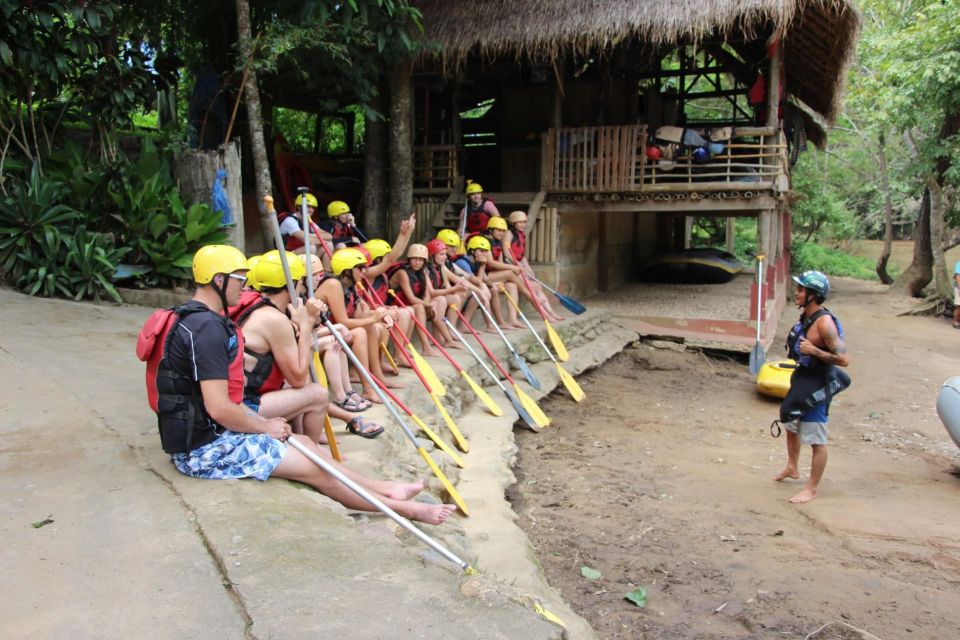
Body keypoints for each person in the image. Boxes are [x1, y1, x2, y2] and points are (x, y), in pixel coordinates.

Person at [138, 244, 455, 524]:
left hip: (207, 434)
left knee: (304, 444)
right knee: (313, 467)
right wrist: (264, 426)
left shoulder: (191, 317)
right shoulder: (205, 329)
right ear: (219, 280)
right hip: (204, 450)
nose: (245, 286)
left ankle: (385, 489)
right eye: (239, 278)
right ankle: (405, 510)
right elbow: (219, 407)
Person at [231, 250, 384, 439]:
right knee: (317, 394)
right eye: (302, 280)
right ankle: (313, 447)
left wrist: (304, 324)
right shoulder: (273, 318)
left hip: (240, 397)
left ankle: (306, 436)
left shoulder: (258, 305)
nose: (304, 284)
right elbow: (298, 376)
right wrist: (306, 325)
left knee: (298, 385)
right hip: (244, 405)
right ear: (291, 282)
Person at [774, 270, 850, 504]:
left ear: (813, 295)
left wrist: (814, 351)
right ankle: (792, 467)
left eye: (801, 289)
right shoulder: (807, 316)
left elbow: (844, 360)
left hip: (819, 383)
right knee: (789, 419)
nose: (796, 292)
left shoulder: (824, 323)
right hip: (803, 377)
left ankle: (811, 488)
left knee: (817, 438)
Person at [503, 210, 564, 321]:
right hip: (510, 266)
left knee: (538, 286)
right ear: (513, 223)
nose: (522, 224)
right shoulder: (508, 234)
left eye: (524, 222)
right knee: (531, 287)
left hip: (519, 264)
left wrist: (528, 268)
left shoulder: (521, 235)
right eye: (519, 222)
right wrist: (519, 266)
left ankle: (551, 312)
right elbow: (507, 254)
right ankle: (544, 314)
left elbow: (521, 255)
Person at [953, 260, 960, 329]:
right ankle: (955, 322)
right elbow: (957, 275)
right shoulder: (959, 263)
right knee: (959, 305)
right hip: (959, 288)